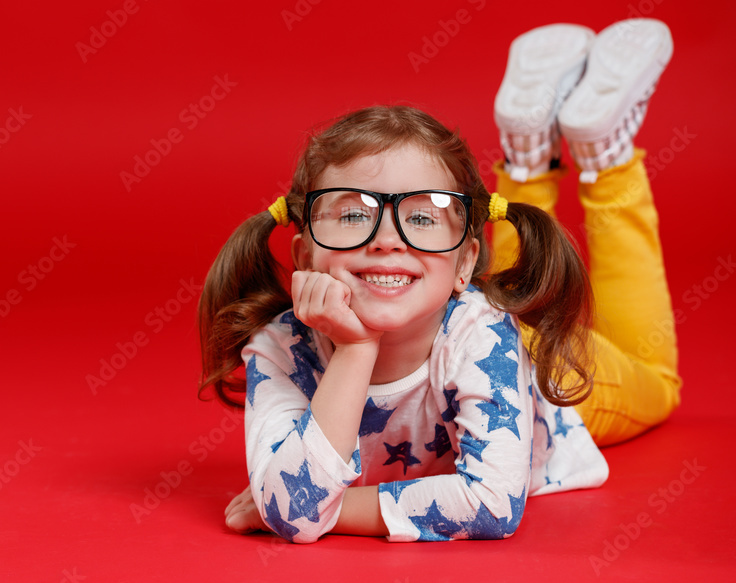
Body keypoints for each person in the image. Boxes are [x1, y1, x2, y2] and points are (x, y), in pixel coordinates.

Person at [198, 18, 677, 543]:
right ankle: (530, 152)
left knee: (655, 383)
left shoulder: (488, 335)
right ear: (305, 253)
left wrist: (332, 507)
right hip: (455, 324)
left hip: (540, 368)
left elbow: (491, 504)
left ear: (467, 265)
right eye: (353, 215)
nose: (387, 239)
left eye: (422, 218)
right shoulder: (280, 349)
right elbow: (292, 512)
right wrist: (357, 348)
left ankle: (604, 156)